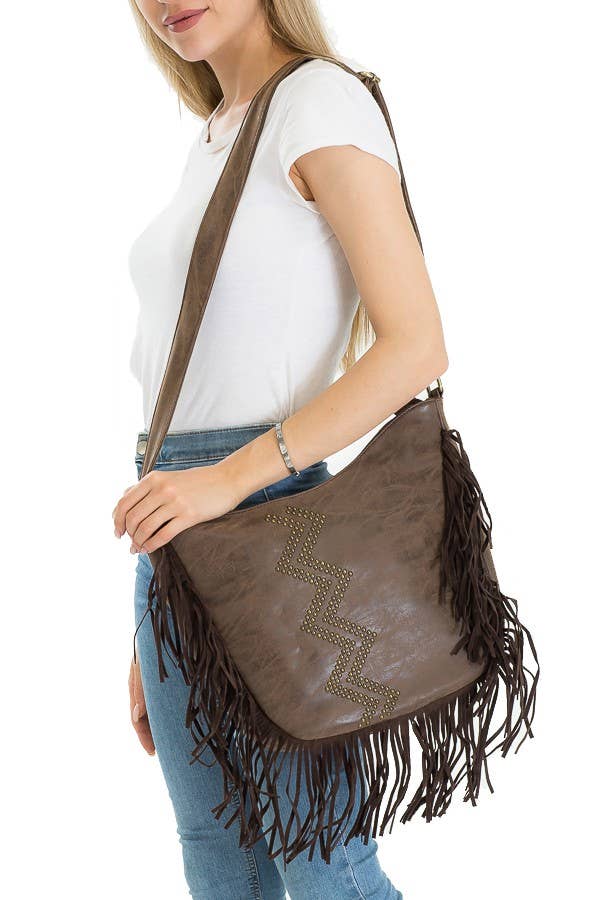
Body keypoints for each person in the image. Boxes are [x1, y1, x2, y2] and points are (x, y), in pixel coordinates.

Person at [112, 1, 448, 897]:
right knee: (220, 858)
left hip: (273, 518)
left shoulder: (317, 100)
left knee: (324, 863)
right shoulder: (216, 134)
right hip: (177, 536)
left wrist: (224, 482)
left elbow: (416, 345)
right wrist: (155, 613)